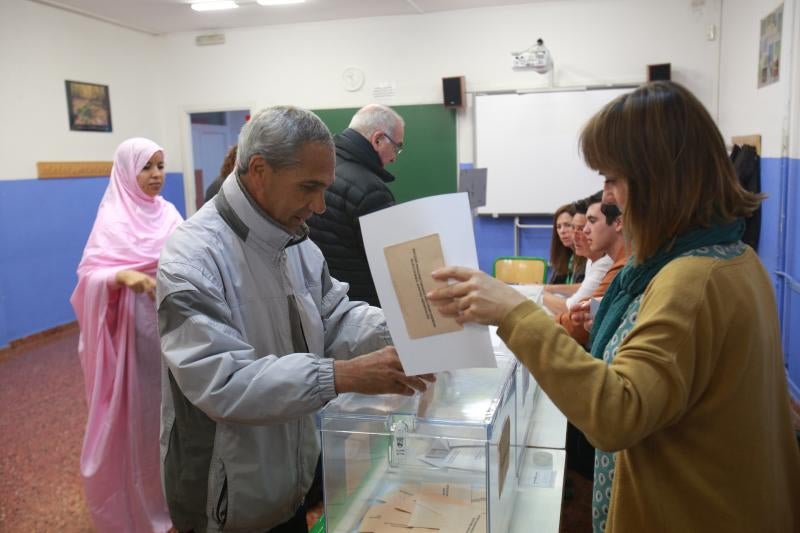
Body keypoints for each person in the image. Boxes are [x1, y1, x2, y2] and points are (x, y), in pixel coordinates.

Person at [428, 81, 800, 532]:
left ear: (656, 180)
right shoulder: (731, 256)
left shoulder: (691, 280)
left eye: (612, 178)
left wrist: (512, 310)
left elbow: (617, 412)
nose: (606, 196)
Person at [156, 106, 432, 533]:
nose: (319, 206)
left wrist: (409, 325)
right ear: (260, 171)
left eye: (325, 188)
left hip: (288, 483)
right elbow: (222, 382)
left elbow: (335, 316)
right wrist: (339, 376)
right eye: (308, 187)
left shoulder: (296, 242)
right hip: (224, 499)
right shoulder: (192, 258)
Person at [70, 138, 182, 533]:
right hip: (130, 337)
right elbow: (89, 277)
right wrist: (122, 276)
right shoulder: (114, 218)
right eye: (146, 167)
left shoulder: (168, 212)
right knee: (140, 419)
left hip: (170, 330)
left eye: (160, 166)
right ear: (126, 172)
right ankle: (139, 502)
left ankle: (175, 494)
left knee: (173, 415)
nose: (156, 176)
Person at [308, 104, 405, 306]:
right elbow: (395, 267)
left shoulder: (317, 170)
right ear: (378, 140)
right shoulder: (371, 190)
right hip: (362, 313)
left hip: (320, 304)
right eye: (396, 147)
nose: (394, 157)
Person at [542, 192, 612, 315]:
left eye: (581, 228)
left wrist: (539, 293)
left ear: (617, 223)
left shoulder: (606, 263)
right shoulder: (592, 260)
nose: (574, 235)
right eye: (573, 228)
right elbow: (591, 312)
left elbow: (573, 309)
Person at [547, 202, 577, 284]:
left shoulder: (590, 259)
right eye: (558, 227)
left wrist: (545, 289)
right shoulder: (565, 257)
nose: (562, 231)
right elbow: (552, 285)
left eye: (567, 225)